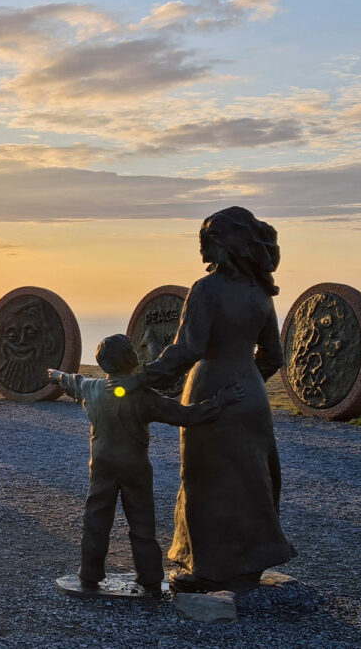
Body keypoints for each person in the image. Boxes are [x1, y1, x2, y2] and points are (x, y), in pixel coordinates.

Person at [109, 206, 295, 592]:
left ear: (224, 244)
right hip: (252, 396)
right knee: (253, 479)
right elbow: (273, 356)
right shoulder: (260, 293)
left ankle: (209, 569)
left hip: (209, 386)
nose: (202, 254)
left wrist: (142, 378)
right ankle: (250, 563)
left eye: (206, 243)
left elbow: (186, 350)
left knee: (205, 479)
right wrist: (248, 383)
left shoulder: (206, 289)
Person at [49, 335, 243, 595]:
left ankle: (90, 573)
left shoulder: (92, 389)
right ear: (132, 359)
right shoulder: (143, 397)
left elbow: (71, 380)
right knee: (141, 525)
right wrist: (221, 401)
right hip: (135, 469)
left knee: (96, 521)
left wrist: (54, 374)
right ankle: (150, 578)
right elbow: (186, 415)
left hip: (102, 466)